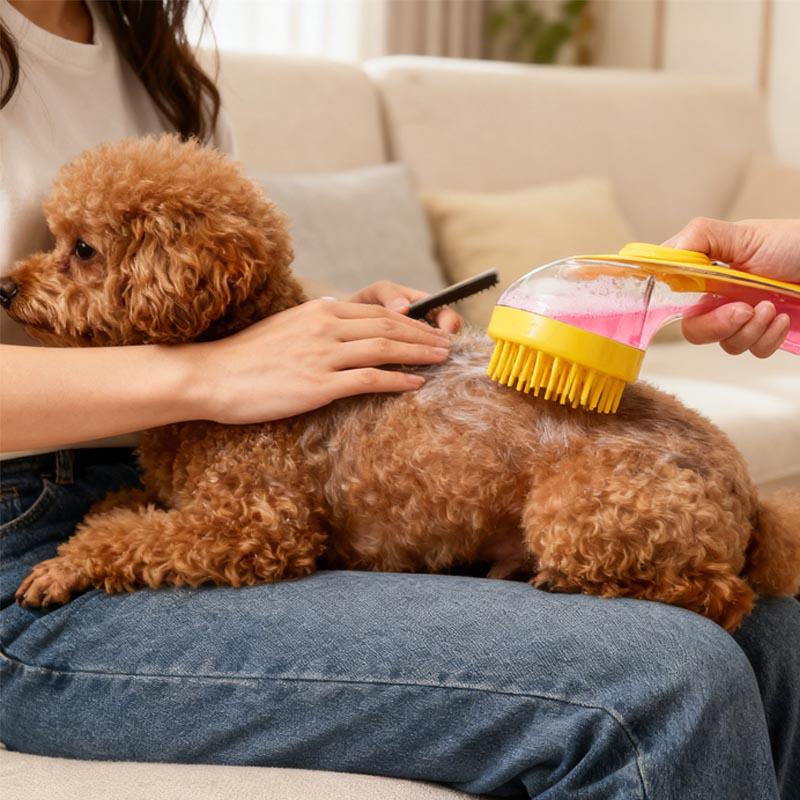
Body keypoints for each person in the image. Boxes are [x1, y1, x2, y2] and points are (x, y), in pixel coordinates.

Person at [0, 3, 797, 799]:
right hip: (27, 541)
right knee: (666, 674)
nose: (35, 274)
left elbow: (222, 295)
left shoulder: (160, 65)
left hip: (185, 469)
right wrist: (210, 375)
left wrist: (336, 323)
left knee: (781, 641)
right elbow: (249, 491)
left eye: (79, 253)